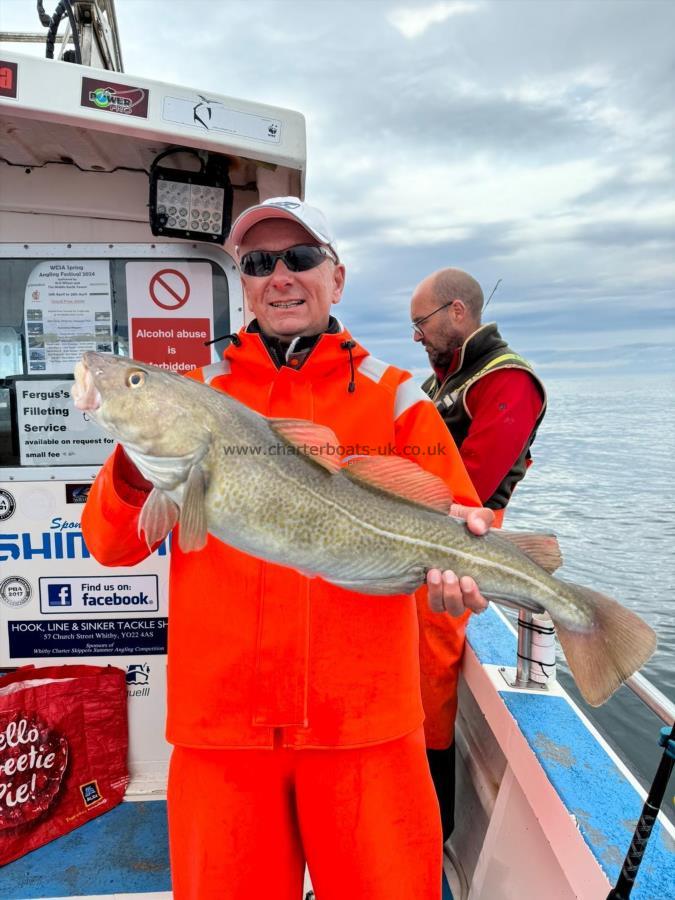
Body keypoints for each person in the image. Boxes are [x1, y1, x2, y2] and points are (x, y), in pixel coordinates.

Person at [82, 198, 493, 900]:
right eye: (257, 263)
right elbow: (110, 547)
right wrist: (135, 457)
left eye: (300, 258)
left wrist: (461, 582)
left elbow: (453, 533)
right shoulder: (194, 395)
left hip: (366, 728)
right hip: (222, 735)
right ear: (242, 283)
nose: (280, 276)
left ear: (336, 277)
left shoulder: (400, 404)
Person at [411, 267, 546, 842]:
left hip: (456, 546)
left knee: (430, 686)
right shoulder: (440, 383)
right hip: (409, 538)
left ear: (458, 313)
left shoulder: (508, 380)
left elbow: (470, 482)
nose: (416, 335)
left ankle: (430, 827)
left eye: (422, 322)